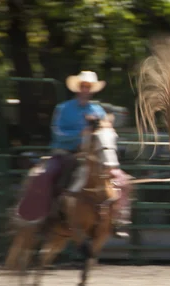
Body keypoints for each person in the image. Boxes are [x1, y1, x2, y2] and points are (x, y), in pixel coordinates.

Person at [50, 71, 130, 238]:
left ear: (92, 89)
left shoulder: (98, 110)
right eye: (83, 86)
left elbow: (105, 133)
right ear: (78, 88)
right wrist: (81, 134)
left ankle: (117, 220)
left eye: (88, 87)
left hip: (92, 155)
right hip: (66, 152)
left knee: (122, 181)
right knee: (50, 175)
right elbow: (57, 133)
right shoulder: (63, 109)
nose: (85, 89)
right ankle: (50, 216)